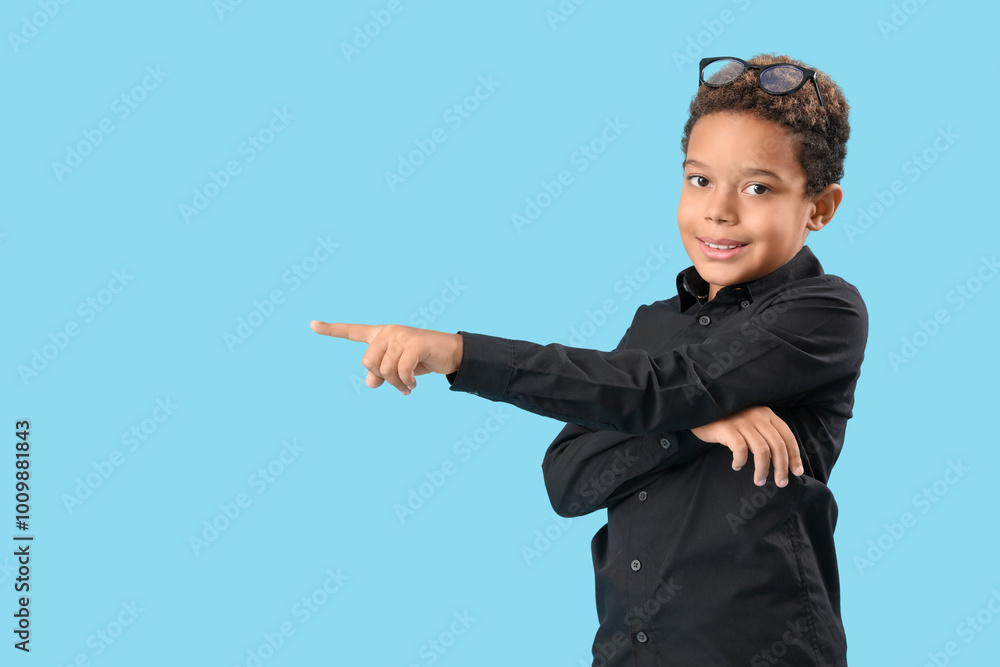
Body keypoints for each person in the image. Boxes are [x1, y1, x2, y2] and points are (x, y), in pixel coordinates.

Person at [311, 53, 867, 666]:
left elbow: (663, 390)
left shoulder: (824, 312)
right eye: (699, 179)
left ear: (820, 207)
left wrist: (461, 354)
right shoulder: (655, 324)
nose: (719, 210)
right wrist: (694, 422)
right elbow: (569, 479)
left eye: (758, 187)